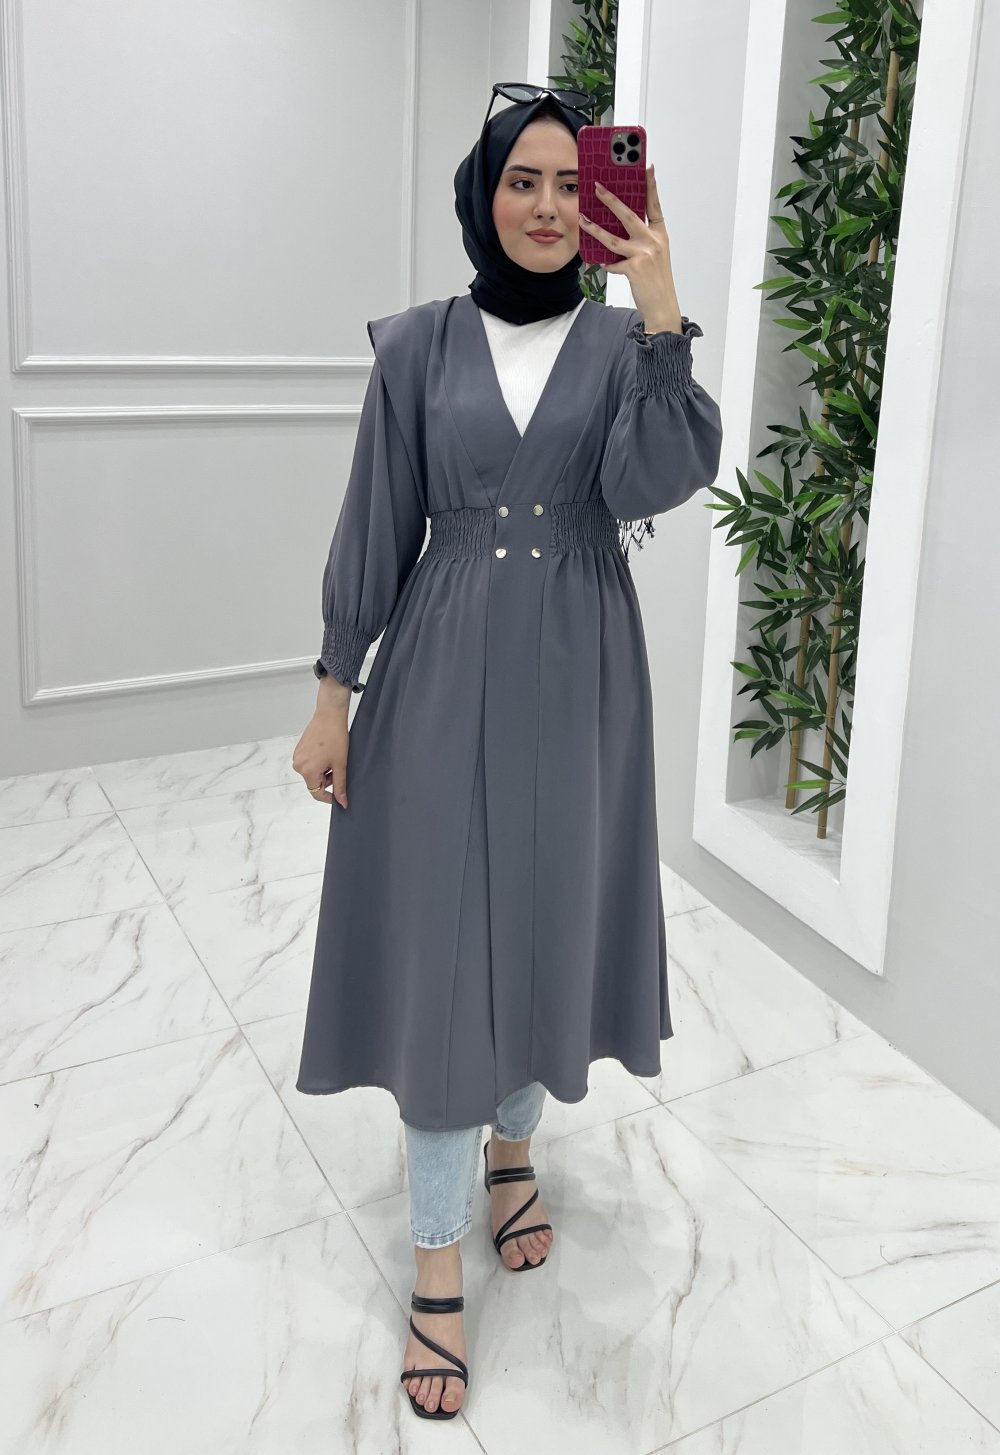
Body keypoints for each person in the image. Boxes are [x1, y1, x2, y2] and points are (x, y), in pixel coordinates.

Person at [290, 84, 723, 1420]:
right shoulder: (418, 347)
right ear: (484, 196)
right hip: (440, 666)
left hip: (581, 675)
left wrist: (662, 300)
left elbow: (660, 479)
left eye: (569, 183)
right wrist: (333, 690)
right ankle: (436, 1259)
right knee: (441, 950)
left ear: (601, 201)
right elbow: (376, 519)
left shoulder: (623, 346)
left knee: (546, 925)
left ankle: (514, 1151)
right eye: (520, 180)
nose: (545, 206)